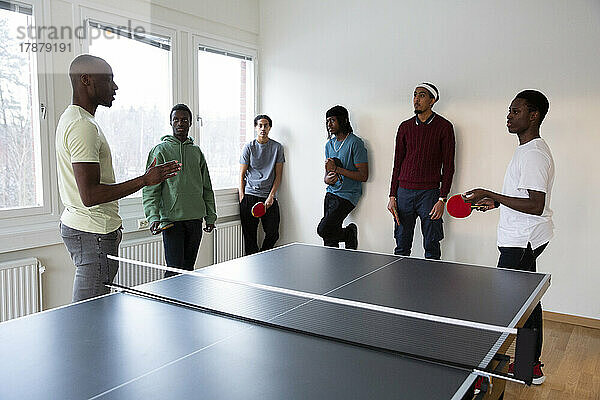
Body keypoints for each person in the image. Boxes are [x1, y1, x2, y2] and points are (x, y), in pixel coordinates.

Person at [56, 54, 181, 302]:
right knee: (88, 315)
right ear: (86, 80)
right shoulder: (83, 126)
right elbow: (90, 195)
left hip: (85, 228)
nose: (115, 86)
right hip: (94, 233)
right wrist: (145, 180)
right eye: (109, 79)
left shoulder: (74, 119)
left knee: (93, 312)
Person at [465, 90, 554, 385]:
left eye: (516, 111)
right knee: (527, 303)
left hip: (522, 242)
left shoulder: (534, 154)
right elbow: (522, 196)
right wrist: (497, 202)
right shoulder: (525, 150)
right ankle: (531, 366)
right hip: (522, 237)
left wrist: (490, 192)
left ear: (534, 116)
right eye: (509, 111)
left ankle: (485, 372)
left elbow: (536, 205)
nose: (509, 116)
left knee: (505, 308)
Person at [143, 104, 217, 277]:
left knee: (188, 270)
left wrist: (211, 215)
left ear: (190, 123)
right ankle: (170, 304)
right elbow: (150, 189)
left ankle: (186, 304)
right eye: (176, 119)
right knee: (174, 270)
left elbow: (207, 187)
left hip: (195, 220)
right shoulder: (160, 150)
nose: (180, 123)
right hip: (171, 221)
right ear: (170, 122)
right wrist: (153, 216)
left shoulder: (197, 152)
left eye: (184, 119)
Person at [387, 83, 455, 259]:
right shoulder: (405, 127)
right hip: (404, 194)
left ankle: (432, 285)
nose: (416, 99)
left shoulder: (444, 127)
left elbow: (448, 166)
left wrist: (442, 198)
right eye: (415, 95)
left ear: (432, 101)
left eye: (422, 95)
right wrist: (392, 196)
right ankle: (400, 283)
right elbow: (397, 163)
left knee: (432, 245)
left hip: (430, 194)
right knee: (401, 245)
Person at [317, 105, 368, 249]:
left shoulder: (355, 143)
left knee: (324, 229)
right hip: (331, 193)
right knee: (329, 240)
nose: (329, 125)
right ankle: (335, 269)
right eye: (327, 121)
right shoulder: (329, 145)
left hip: (348, 195)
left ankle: (349, 234)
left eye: (332, 120)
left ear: (343, 120)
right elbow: (327, 174)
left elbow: (363, 175)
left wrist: (338, 169)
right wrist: (327, 179)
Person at [239, 114, 285, 255]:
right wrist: (242, 197)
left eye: (266, 125)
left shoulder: (277, 148)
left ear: (270, 128)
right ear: (255, 128)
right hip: (250, 196)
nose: (263, 128)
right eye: (260, 125)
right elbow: (241, 175)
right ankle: (253, 269)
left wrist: (271, 196)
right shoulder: (248, 147)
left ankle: (262, 257)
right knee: (250, 238)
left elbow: (278, 176)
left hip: (268, 198)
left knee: (273, 234)